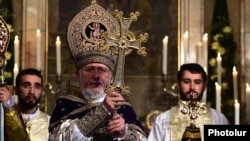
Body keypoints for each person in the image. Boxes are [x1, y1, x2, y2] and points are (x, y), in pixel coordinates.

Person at [48, 1, 146, 141]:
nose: (96, 75)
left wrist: (123, 133)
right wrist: (103, 109)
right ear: (78, 74)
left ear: (111, 76)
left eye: (102, 70)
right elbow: (59, 138)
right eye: (89, 69)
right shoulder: (65, 106)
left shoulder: (124, 109)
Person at [147, 63, 230, 141]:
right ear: (178, 84)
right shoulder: (162, 120)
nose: (192, 87)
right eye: (186, 81)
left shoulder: (218, 119)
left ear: (204, 86)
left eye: (197, 82)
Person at [0, 68, 50, 141]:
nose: (32, 92)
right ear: (16, 90)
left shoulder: (49, 122)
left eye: (37, 86)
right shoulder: (3, 118)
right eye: (26, 86)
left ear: (41, 91)